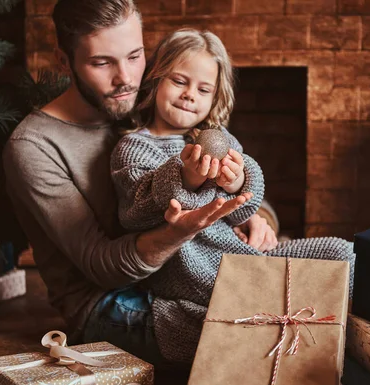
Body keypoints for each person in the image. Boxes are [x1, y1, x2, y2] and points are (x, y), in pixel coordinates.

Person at [2, 0, 370, 385]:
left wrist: (255, 216)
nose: (125, 77)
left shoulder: (144, 107)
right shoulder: (34, 146)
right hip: (111, 300)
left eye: (135, 55)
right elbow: (102, 267)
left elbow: (238, 191)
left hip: (204, 268)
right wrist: (178, 231)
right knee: (267, 328)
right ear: (64, 61)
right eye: (101, 63)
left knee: (322, 282)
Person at [110, 28, 356, 363]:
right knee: (252, 322)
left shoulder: (219, 138)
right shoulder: (134, 146)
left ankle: (350, 338)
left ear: (215, 97)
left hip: (241, 258)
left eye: (203, 88)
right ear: (155, 80)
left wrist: (238, 181)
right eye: (179, 81)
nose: (189, 95)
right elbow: (135, 212)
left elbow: (242, 210)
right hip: (191, 271)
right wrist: (187, 178)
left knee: (343, 254)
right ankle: (303, 333)